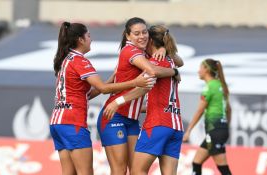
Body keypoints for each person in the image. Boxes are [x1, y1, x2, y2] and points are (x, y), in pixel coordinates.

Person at [49, 21, 153, 175]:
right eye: (89, 36)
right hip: (73, 122)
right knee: (86, 172)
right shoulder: (80, 61)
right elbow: (103, 89)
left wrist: (113, 78)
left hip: (57, 122)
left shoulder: (65, 59)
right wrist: (135, 82)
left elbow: (88, 94)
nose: (91, 39)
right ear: (80, 39)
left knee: (68, 172)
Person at [96, 17, 180, 175]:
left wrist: (162, 49)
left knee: (136, 169)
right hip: (115, 115)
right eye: (136, 33)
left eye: (144, 32)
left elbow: (178, 61)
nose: (141, 36)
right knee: (120, 170)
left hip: (132, 120)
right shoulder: (131, 51)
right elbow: (153, 73)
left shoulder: (145, 54)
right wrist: (174, 71)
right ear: (128, 36)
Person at [182, 58, 232, 175]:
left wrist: (188, 131)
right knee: (196, 163)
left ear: (206, 69)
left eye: (200, 68)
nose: (198, 71)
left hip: (215, 131)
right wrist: (224, 126)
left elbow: (200, 111)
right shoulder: (221, 85)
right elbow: (229, 110)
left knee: (223, 168)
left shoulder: (209, 87)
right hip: (218, 130)